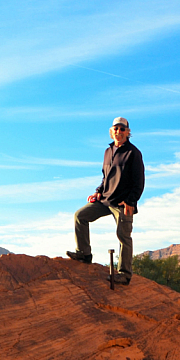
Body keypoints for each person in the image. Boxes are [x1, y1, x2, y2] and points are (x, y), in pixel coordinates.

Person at [67, 117, 144, 283]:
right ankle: (84, 254)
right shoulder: (108, 151)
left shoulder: (134, 153)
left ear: (128, 132)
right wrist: (98, 192)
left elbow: (139, 182)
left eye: (122, 129)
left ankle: (124, 274)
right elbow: (106, 176)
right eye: (116, 128)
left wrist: (131, 201)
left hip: (123, 203)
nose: (119, 132)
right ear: (112, 131)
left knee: (124, 236)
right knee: (80, 216)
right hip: (105, 199)